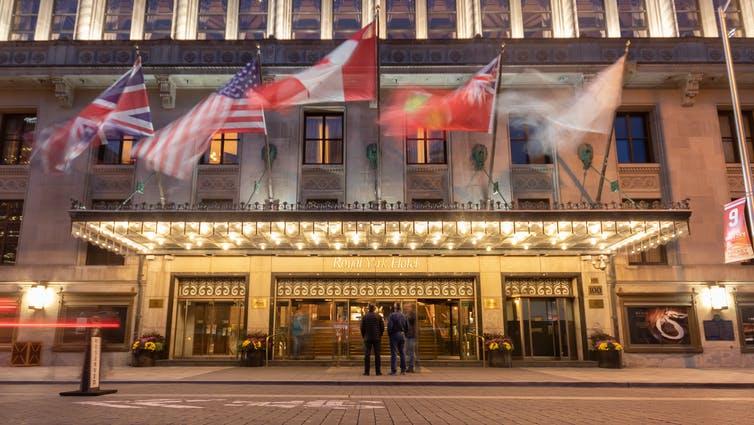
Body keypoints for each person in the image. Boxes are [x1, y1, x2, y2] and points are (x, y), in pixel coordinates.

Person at [360, 304, 384, 376]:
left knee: (367, 355)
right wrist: (380, 335)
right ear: (374, 309)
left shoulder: (365, 317)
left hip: (367, 338)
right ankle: (378, 372)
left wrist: (364, 336)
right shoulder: (379, 316)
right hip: (377, 338)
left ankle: (367, 372)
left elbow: (362, 328)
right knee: (377, 355)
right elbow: (382, 327)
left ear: (368, 309)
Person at [387, 302, 408, 375]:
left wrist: (390, 334)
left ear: (395, 307)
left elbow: (390, 326)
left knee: (394, 353)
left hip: (394, 335)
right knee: (402, 353)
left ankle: (394, 370)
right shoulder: (404, 315)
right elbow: (407, 326)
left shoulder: (392, 315)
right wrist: (404, 333)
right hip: (402, 335)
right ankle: (403, 370)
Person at [405, 304, 418, 373]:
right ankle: (409, 366)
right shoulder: (408, 315)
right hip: (408, 335)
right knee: (408, 352)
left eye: (407, 307)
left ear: (411, 308)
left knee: (411, 352)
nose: (406, 308)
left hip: (411, 335)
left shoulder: (412, 315)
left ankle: (411, 367)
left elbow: (411, 324)